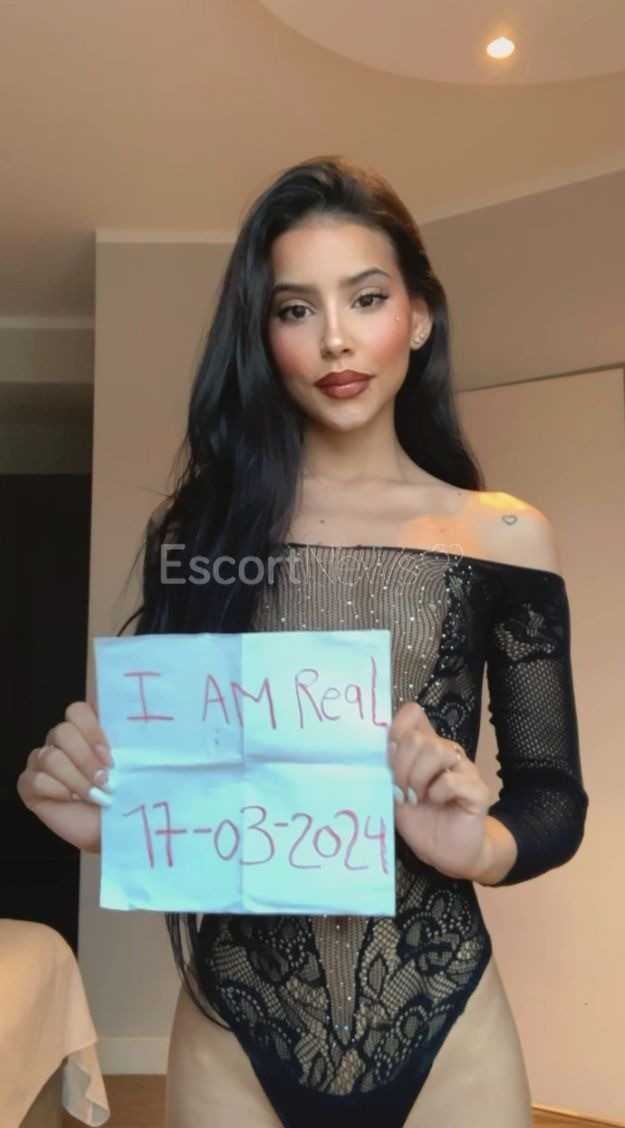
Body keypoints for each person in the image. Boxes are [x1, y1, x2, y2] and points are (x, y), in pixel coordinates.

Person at [17, 155, 589, 1128]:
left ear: (417, 315)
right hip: (235, 1032)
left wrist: (481, 845)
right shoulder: (201, 533)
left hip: (448, 1027)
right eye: (294, 308)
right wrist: (106, 815)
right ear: (263, 334)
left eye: (365, 298)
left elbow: (551, 793)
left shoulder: (502, 535)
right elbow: (195, 781)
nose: (334, 338)